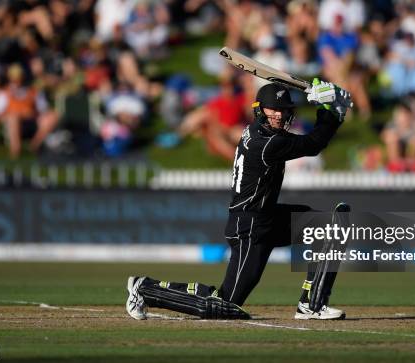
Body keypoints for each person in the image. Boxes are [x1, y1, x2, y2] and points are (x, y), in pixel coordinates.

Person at [126, 79, 353, 320]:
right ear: (259, 110)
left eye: (284, 110)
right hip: (250, 227)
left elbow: (312, 141)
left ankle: (312, 304)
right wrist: (328, 110)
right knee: (226, 304)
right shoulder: (266, 143)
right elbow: (314, 144)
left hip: (269, 217)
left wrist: (335, 110)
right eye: (273, 109)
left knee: (329, 227)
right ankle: (145, 289)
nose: (278, 115)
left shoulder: (259, 132)